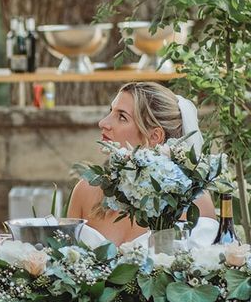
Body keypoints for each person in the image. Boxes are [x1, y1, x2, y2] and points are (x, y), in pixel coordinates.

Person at [68, 82, 216, 246]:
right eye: (111, 112)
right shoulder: (85, 191)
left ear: (154, 136)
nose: (103, 123)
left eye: (122, 117)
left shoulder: (191, 202)